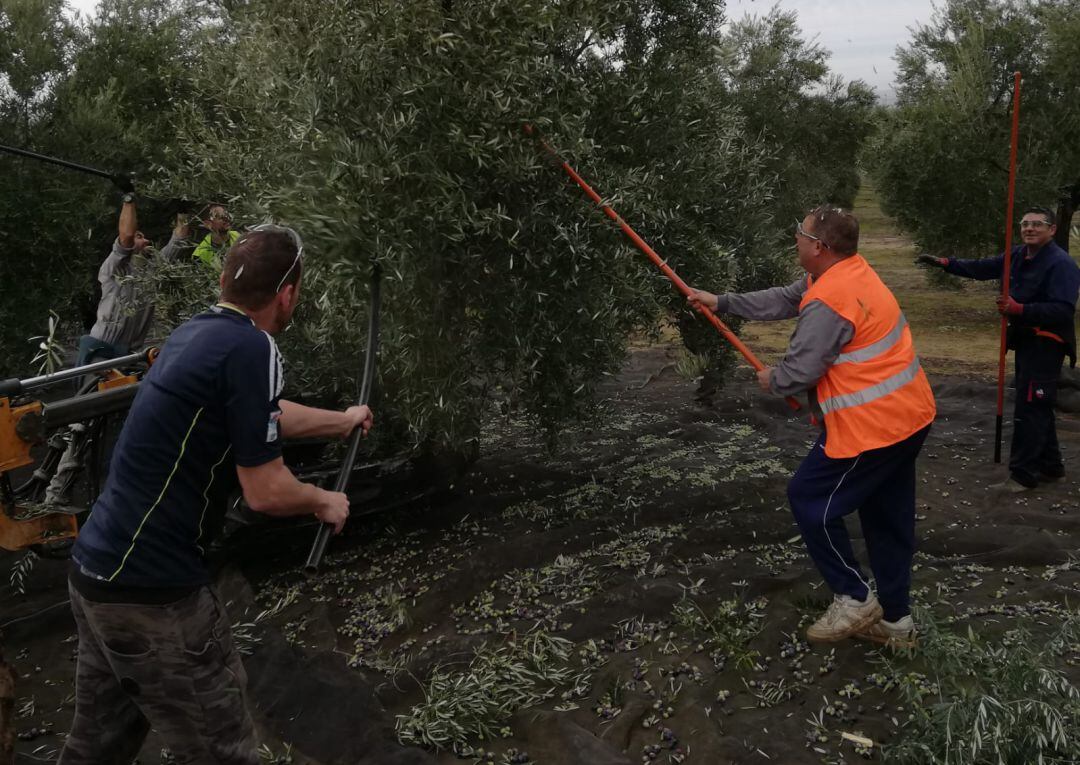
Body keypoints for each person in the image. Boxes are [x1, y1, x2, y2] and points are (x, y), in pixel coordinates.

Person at [58, 225, 374, 764]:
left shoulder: (196, 333)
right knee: (222, 748)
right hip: (155, 594)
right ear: (287, 295)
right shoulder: (254, 348)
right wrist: (325, 500)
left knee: (97, 746)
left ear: (225, 280)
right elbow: (266, 491)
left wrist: (340, 422)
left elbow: (263, 416)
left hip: (95, 574)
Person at [688, 206, 936, 648]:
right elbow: (785, 298)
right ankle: (897, 623)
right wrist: (722, 302)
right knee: (886, 517)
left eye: (800, 234)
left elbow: (802, 369)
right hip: (909, 416)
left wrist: (775, 379)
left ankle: (853, 596)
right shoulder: (846, 273)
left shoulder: (830, 300)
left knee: (809, 498)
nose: (795, 240)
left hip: (873, 428)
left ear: (819, 246)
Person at [43, 191, 189, 507]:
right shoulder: (114, 269)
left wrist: (183, 211)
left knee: (125, 422)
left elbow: (178, 241)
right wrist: (128, 197)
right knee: (82, 421)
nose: (144, 239)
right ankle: (55, 494)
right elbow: (124, 234)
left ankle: (119, 492)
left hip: (129, 356)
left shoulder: (153, 272)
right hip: (100, 351)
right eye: (140, 237)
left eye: (145, 236)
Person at [918, 207, 1080, 491]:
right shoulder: (1017, 255)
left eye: (1037, 224)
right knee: (1036, 404)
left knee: (1031, 408)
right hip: (1026, 341)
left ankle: (1023, 476)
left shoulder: (1061, 264)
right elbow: (983, 268)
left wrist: (1020, 309)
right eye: (1025, 224)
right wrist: (947, 263)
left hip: (1047, 344)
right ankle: (1052, 468)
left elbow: (1063, 310)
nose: (1029, 228)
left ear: (1052, 230)